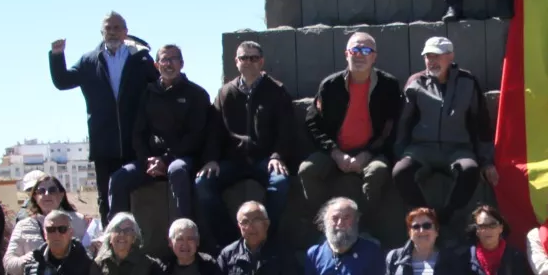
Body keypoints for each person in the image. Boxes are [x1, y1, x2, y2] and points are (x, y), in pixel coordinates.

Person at [49, 12, 158, 216]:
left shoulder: (140, 59)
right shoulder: (89, 61)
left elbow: (158, 89)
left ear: (125, 32)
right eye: (108, 28)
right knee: (106, 197)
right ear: (102, 32)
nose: (112, 32)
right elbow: (63, 81)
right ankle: (110, 234)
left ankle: (136, 234)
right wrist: (57, 55)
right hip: (104, 144)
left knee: (138, 195)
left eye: (117, 28)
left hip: (136, 143)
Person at [392, 36, 498, 225]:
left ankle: (446, 217)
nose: (432, 61)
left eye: (437, 56)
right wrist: (399, 153)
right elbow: (404, 122)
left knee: (470, 170)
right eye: (428, 56)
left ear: (450, 56)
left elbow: (480, 122)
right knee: (400, 171)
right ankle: (426, 216)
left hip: (458, 148)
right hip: (421, 148)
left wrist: (487, 160)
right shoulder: (415, 82)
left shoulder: (467, 82)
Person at [197, 40, 292, 246]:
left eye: (253, 58)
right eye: (243, 58)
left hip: (264, 159)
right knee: (203, 183)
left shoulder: (276, 90)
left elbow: (286, 129)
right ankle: (229, 242)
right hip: (233, 160)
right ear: (236, 62)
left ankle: (265, 240)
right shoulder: (225, 93)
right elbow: (214, 131)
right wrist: (211, 159)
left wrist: (277, 156)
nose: (248, 62)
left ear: (261, 61)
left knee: (280, 183)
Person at [300, 31, 401, 214]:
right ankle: (324, 222)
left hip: (373, 151)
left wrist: (368, 153)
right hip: (335, 150)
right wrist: (335, 153)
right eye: (355, 50)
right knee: (307, 170)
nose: (360, 55)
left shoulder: (389, 86)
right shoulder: (330, 85)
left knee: (377, 171)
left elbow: (391, 126)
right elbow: (312, 123)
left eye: (366, 50)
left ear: (374, 57)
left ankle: (364, 222)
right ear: (346, 54)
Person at [109, 44, 210, 222]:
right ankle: (117, 231)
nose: (169, 64)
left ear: (182, 64)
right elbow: (138, 133)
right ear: (156, 65)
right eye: (164, 60)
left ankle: (184, 231)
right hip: (150, 161)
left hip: (183, 158)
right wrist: (147, 160)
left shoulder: (197, 94)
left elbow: (196, 136)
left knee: (177, 170)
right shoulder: (148, 94)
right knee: (119, 178)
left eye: (174, 59)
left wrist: (166, 160)